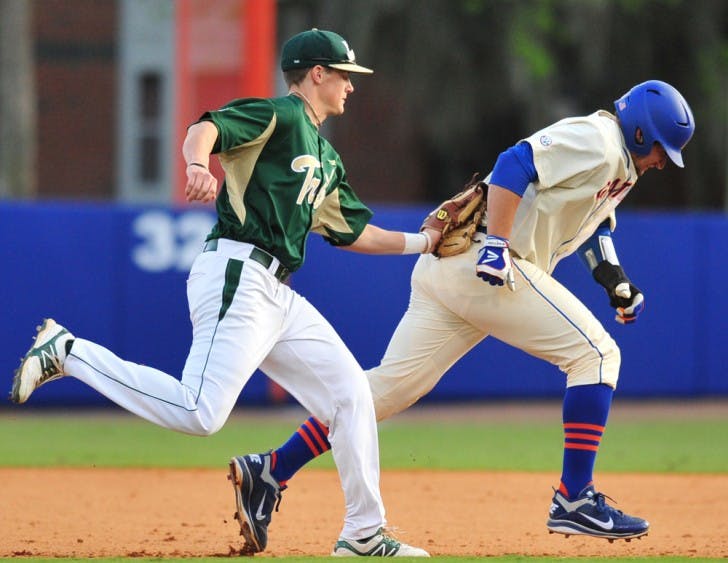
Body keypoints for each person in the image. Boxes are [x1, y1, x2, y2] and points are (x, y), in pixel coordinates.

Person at [10, 28, 437, 558]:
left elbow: (355, 232)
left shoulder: (327, 158)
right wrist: (196, 164)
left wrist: (427, 242)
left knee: (352, 393)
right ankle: (68, 352)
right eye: (344, 75)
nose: (352, 86)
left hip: (278, 294)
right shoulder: (278, 116)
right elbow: (204, 128)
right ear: (317, 74)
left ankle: (364, 534)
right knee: (200, 413)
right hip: (239, 272)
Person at [231, 80, 695, 546]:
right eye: (661, 148)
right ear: (639, 132)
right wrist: (497, 244)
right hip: (484, 262)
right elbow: (514, 163)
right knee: (596, 356)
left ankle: (269, 470)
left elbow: (594, 227)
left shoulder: (623, 167)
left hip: (450, 271)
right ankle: (575, 497)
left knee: (380, 394)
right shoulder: (597, 139)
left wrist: (613, 281)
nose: (662, 159)